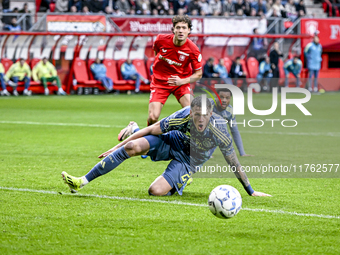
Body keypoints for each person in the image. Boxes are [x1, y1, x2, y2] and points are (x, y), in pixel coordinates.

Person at [61, 96, 271, 197]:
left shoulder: (220, 131)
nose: (199, 119)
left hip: (189, 160)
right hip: (173, 140)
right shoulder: (182, 117)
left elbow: (234, 163)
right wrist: (120, 145)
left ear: (211, 115)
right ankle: (81, 182)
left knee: (155, 191)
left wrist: (250, 191)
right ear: (191, 113)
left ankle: (178, 182)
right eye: (196, 114)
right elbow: (152, 129)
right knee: (132, 147)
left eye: (203, 116)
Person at [143, 15, 202, 128]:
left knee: (194, 113)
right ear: (173, 29)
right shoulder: (161, 39)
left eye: (184, 28)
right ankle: (150, 141)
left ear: (189, 30)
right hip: (160, 82)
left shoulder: (193, 49)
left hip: (181, 82)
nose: (181, 30)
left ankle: (190, 141)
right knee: (153, 117)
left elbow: (199, 74)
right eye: (178, 27)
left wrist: (181, 81)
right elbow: (156, 53)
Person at [210, 88, 253, 157]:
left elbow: (235, 131)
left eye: (227, 98)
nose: (224, 100)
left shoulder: (230, 111)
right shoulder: (206, 106)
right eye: (221, 97)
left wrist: (242, 153)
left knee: (221, 130)